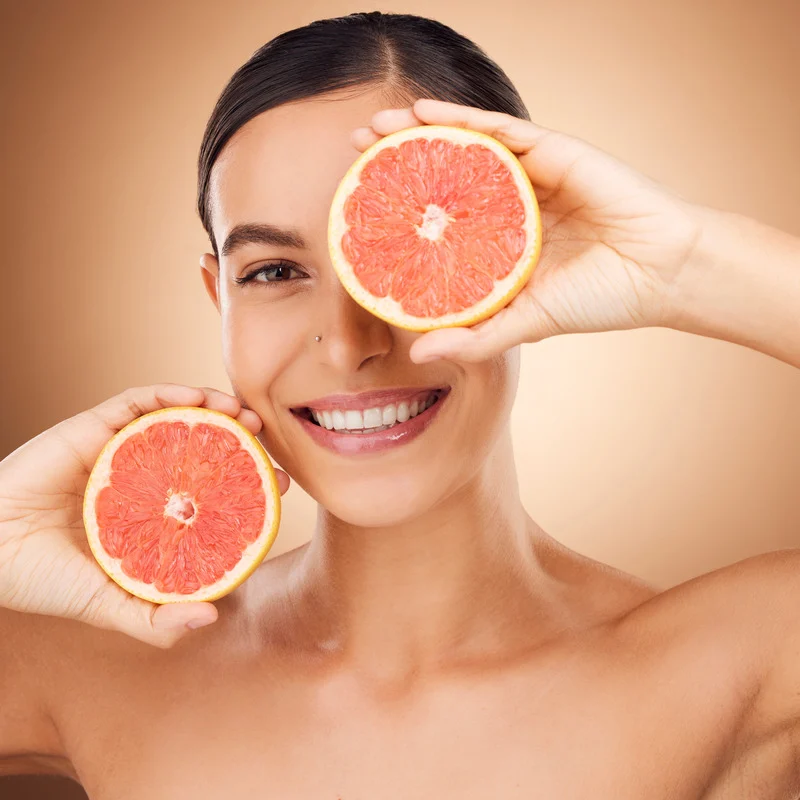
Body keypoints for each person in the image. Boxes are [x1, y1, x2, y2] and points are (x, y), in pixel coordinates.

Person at [1, 10, 798, 797]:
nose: (350, 344)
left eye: (402, 258)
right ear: (219, 298)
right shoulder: (104, 660)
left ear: (514, 258)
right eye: (274, 272)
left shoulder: (727, 666)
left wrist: (684, 264)